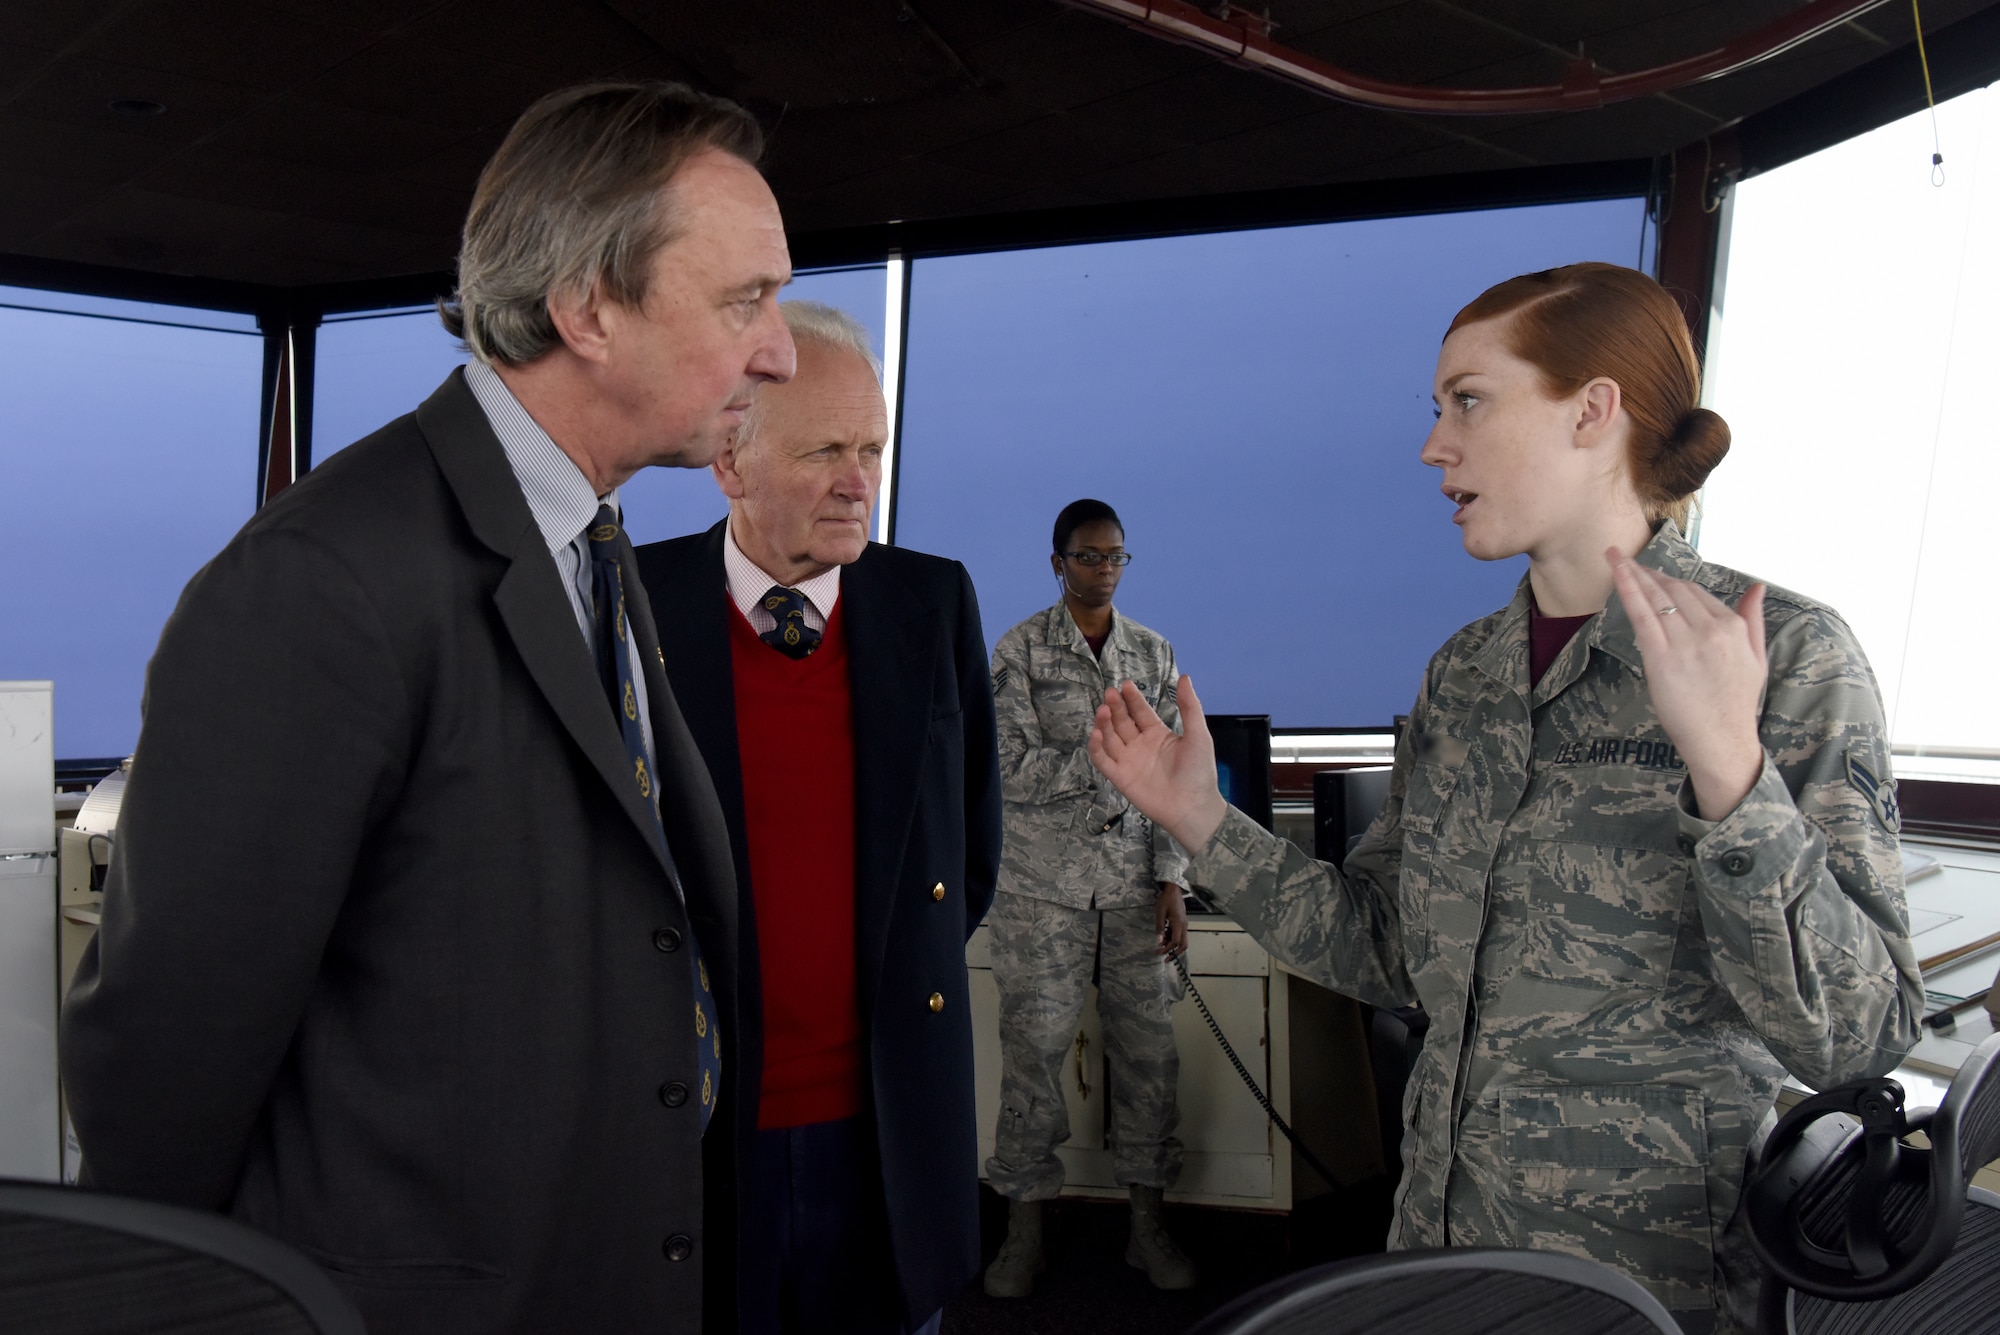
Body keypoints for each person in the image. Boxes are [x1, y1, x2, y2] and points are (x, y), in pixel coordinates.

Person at [59, 81, 796, 1334]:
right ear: (587, 309)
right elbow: (163, 1062)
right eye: (745, 301)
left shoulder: (587, 546)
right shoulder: (321, 583)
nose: (779, 351)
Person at [1085, 263, 1923, 1334]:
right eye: (1434, 410)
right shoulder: (1464, 675)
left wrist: (1727, 773)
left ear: (1592, 408)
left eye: (1467, 401)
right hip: (1443, 1254)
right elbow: (1387, 953)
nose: (1434, 445)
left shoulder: (1785, 656)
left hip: (1648, 1287)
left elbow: (1857, 1040)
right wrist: (1200, 820)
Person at [634, 300, 1001, 1335]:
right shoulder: (629, 603)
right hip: (700, 1127)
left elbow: (967, 854)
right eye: (824, 452)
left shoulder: (932, 604)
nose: (858, 481)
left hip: (885, 1130)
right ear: (728, 461)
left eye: (871, 449)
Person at [982, 498, 1197, 1299]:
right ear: (1057, 563)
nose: (1103, 570)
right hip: (1044, 893)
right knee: (1033, 1061)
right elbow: (1008, 771)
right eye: (1088, 557)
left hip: (1138, 890)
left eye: (1115, 557)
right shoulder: (1020, 652)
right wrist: (1107, 761)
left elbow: (1173, 780)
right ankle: (1022, 1234)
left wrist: (1174, 879)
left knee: (1151, 1061)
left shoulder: (1151, 649)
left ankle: (1147, 1228)